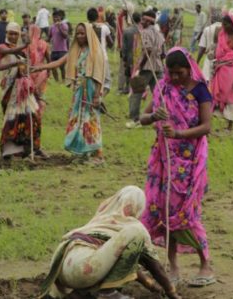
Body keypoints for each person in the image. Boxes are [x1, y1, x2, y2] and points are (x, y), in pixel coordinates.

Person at [139, 48, 215, 287]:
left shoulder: (200, 90)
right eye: (170, 73)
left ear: (189, 68)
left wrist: (179, 133)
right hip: (164, 160)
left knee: (188, 212)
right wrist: (154, 117)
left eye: (179, 73)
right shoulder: (163, 88)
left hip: (190, 161)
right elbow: (143, 116)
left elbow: (206, 127)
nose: (174, 78)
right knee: (164, 211)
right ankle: (172, 267)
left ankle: (206, 265)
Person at [40, 186, 181, 299]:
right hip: (84, 269)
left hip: (62, 271)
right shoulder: (133, 226)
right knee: (136, 235)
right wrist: (171, 291)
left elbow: (121, 261)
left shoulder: (102, 218)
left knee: (108, 257)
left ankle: (81, 293)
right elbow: (155, 266)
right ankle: (109, 293)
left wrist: (151, 285)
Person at [32, 23, 105, 163]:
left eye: (82, 33)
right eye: (77, 33)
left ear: (89, 34)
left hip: (90, 89)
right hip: (78, 91)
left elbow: (99, 74)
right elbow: (59, 62)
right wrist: (40, 67)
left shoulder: (95, 51)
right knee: (79, 120)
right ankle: (83, 153)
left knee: (91, 120)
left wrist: (96, 95)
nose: (79, 36)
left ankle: (98, 154)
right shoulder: (75, 51)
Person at [0, 23, 43, 159]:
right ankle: (10, 151)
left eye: (15, 34)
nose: (12, 36)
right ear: (6, 33)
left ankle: (31, 148)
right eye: (10, 33)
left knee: (32, 116)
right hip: (10, 91)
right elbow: (7, 53)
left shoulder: (22, 52)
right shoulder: (2, 47)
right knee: (12, 119)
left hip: (23, 90)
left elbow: (26, 69)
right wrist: (24, 45)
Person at [126, 11, 165, 128]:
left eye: (143, 20)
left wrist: (140, 68)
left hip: (146, 67)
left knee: (136, 93)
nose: (141, 22)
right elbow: (163, 53)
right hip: (158, 67)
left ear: (148, 21)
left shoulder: (145, 32)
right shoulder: (159, 34)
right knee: (160, 94)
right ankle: (165, 117)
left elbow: (147, 50)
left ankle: (135, 120)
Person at [211, 15, 233, 130]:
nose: (224, 27)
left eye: (226, 24)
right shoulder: (221, 34)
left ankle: (230, 124)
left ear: (232, 24)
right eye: (223, 24)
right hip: (220, 68)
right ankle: (212, 118)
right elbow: (216, 48)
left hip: (231, 70)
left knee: (230, 95)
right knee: (216, 92)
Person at [27, 24, 51, 116]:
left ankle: (32, 113)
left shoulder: (27, 45)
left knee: (30, 94)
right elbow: (49, 59)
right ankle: (38, 114)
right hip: (41, 73)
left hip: (30, 72)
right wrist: (48, 71)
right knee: (40, 95)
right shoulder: (44, 44)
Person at [88, 7, 113, 95]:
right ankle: (99, 98)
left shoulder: (86, 27)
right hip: (102, 57)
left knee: (92, 80)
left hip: (89, 57)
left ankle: (93, 97)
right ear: (97, 17)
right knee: (107, 82)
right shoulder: (104, 27)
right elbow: (111, 44)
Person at [196, 10, 223, 83]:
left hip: (209, 59)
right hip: (223, 61)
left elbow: (202, 48)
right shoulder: (225, 29)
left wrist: (197, 62)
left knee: (207, 81)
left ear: (212, 19)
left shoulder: (207, 29)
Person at [118, 13, 140, 94]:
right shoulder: (142, 30)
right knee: (138, 73)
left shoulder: (127, 31)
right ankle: (136, 89)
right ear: (140, 20)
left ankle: (127, 88)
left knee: (128, 73)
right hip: (139, 57)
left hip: (129, 56)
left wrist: (124, 57)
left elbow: (124, 47)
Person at [49, 10, 69, 81]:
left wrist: (59, 28)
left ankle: (63, 80)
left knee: (62, 67)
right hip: (54, 50)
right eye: (54, 17)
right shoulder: (52, 27)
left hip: (62, 50)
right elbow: (49, 37)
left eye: (57, 17)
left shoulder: (64, 25)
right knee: (52, 66)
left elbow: (65, 36)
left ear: (60, 17)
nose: (55, 19)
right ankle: (57, 81)